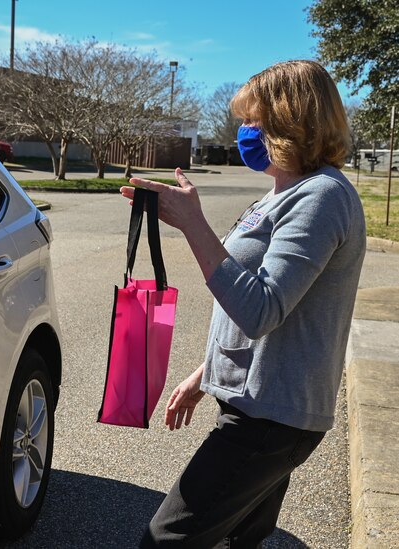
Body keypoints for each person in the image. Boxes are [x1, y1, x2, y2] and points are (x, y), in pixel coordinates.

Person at [120, 60, 366, 547]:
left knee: (163, 540)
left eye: (254, 120)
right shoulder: (280, 194)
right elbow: (251, 296)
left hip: (274, 417)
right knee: (241, 540)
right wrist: (206, 374)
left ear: (290, 121)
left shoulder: (322, 198)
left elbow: (261, 309)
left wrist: (194, 224)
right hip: (256, 407)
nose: (244, 132)